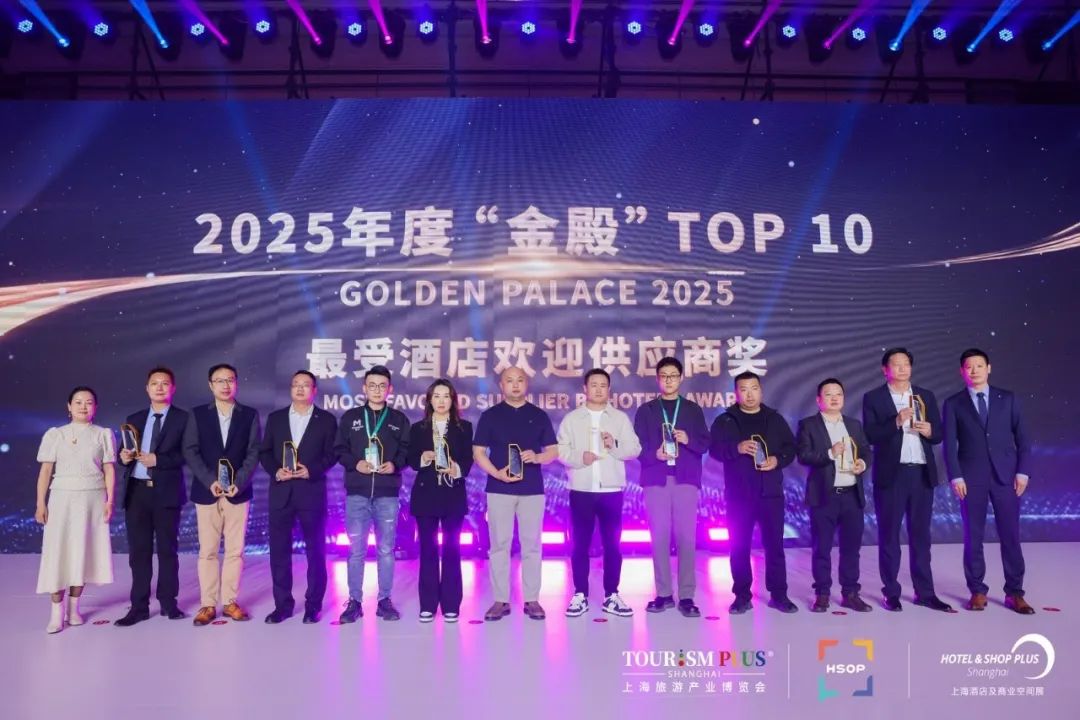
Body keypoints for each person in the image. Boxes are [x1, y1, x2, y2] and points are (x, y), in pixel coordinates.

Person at [943, 348, 1034, 614]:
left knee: (1011, 536)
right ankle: (977, 591)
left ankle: (1015, 593)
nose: (974, 371)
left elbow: (1023, 439)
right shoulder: (954, 403)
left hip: (1007, 477)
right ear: (962, 371)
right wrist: (956, 476)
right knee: (973, 537)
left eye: (979, 366)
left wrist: (1023, 472)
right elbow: (949, 445)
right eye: (969, 367)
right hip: (971, 479)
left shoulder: (1009, 399)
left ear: (989, 368)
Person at [862, 348, 953, 613]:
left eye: (906, 364)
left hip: (921, 473)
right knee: (889, 535)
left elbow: (938, 435)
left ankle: (925, 593)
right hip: (892, 475)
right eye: (896, 364)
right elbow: (870, 435)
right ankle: (891, 593)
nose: (902, 368)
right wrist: (896, 421)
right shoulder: (874, 397)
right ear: (885, 369)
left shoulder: (925, 395)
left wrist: (930, 430)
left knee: (921, 536)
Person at [473, 367, 559, 622]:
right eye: (509, 381)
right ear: (501, 385)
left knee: (532, 545)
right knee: (499, 545)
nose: (515, 385)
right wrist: (496, 473)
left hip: (532, 489)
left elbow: (553, 451)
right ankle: (501, 600)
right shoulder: (490, 416)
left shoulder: (538, 415)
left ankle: (532, 599)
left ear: (526, 384)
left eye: (520, 380)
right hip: (499, 488)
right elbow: (478, 453)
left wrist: (538, 457)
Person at [710, 372, 798, 614]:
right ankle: (741, 596)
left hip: (771, 494)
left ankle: (779, 595)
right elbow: (714, 450)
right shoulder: (726, 420)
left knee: (775, 547)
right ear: (736, 393)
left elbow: (791, 448)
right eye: (744, 389)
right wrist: (736, 448)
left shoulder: (774, 419)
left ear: (761, 390)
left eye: (753, 388)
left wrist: (777, 460)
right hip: (739, 496)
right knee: (739, 547)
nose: (749, 394)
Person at [557, 369, 641, 618]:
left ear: (609, 389)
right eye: (593, 385)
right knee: (579, 544)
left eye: (603, 385)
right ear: (585, 389)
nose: (598, 389)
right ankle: (580, 594)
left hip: (611, 490)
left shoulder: (619, 419)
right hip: (581, 489)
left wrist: (614, 445)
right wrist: (578, 458)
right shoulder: (572, 419)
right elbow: (560, 450)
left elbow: (634, 449)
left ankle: (611, 594)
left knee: (612, 544)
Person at [182, 363, 261, 626]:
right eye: (220, 381)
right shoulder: (197, 415)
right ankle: (207, 604)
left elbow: (253, 452)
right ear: (210, 385)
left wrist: (239, 482)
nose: (225, 385)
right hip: (207, 492)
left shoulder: (249, 415)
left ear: (236, 383)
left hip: (238, 492)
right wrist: (210, 481)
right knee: (208, 551)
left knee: (235, 551)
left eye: (230, 380)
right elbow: (190, 450)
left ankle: (229, 602)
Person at [34, 386, 116, 633]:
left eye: (89, 402)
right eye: (78, 402)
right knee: (58, 552)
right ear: (69, 407)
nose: (83, 406)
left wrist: (109, 501)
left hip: (93, 499)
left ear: (95, 407)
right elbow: (45, 471)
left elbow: (109, 469)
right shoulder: (55, 434)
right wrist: (41, 503)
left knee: (84, 550)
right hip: (62, 499)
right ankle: (56, 613)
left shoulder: (103, 434)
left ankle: (74, 609)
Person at [259, 370, 338, 625]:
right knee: (279, 553)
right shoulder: (276, 418)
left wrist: (311, 470)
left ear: (314, 390)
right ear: (291, 389)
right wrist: (276, 470)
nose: (300, 389)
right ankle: (282, 606)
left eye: (306, 385)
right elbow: (265, 452)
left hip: (311, 492)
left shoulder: (326, 420)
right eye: (296, 385)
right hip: (281, 493)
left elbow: (333, 454)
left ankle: (313, 606)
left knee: (316, 552)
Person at [633, 357, 710, 617]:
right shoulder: (646, 410)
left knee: (687, 538)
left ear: (681, 378)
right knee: (659, 537)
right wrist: (654, 454)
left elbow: (704, 443)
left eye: (673, 375)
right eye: (664, 376)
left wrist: (688, 439)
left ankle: (687, 596)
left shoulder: (691, 409)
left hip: (685, 479)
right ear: (657, 379)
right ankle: (664, 593)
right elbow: (637, 446)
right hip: (656, 479)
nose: (668, 380)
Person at [335, 365, 411, 623]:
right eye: (372, 385)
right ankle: (354, 601)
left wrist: (395, 465)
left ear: (390, 389)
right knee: (356, 550)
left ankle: (384, 601)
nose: (377, 390)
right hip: (357, 492)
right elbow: (339, 450)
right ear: (364, 388)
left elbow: (406, 451)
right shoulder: (351, 418)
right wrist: (355, 463)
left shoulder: (398, 420)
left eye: (382, 386)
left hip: (387, 493)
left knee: (386, 549)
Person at [115, 367, 190, 627]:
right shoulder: (134, 418)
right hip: (136, 492)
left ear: (173, 388)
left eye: (165, 383)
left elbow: (188, 454)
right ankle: (139, 607)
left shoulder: (184, 419)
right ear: (147, 388)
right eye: (154, 383)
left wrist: (159, 459)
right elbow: (123, 453)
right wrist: (123, 457)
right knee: (139, 552)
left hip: (166, 492)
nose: (159, 387)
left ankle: (169, 602)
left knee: (167, 550)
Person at [796, 378, 873, 613]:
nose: (834, 398)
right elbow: (804, 456)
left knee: (851, 548)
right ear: (819, 400)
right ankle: (822, 594)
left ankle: (850, 593)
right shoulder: (808, 425)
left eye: (838, 394)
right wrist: (830, 453)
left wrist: (862, 463)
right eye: (828, 394)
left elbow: (866, 451)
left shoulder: (854, 424)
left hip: (851, 495)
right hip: (824, 496)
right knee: (822, 548)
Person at [406, 379, 474, 623]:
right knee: (428, 549)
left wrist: (457, 469)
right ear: (429, 400)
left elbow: (468, 459)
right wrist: (423, 457)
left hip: (452, 494)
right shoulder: (418, 428)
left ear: (453, 400)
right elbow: (411, 459)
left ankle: (451, 604)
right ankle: (427, 604)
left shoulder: (464, 427)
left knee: (452, 549)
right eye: (437, 396)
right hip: (426, 495)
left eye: (446, 396)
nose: (441, 401)